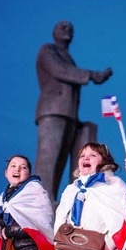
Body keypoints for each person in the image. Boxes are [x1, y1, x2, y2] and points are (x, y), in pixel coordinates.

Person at [34, 20, 113, 200]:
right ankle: (42, 202)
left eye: (70, 28)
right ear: (54, 33)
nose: (67, 29)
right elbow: (60, 71)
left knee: (61, 160)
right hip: (53, 112)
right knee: (49, 161)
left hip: (70, 115)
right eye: (62, 27)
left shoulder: (68, 58)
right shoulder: (48, 50)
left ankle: (70, 200)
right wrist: (92, 75)